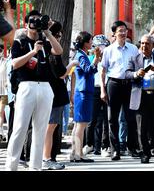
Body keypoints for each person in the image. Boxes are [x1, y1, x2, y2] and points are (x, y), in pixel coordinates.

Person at [5, 10, 63, 171]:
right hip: (26, 86)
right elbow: (15, 63)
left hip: (45, 87)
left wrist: (48, 32)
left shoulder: (45, 41)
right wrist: (33, 52)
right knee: (20, 127)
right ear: (26, 24)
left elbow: (58, 51)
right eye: (33, 20)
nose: (36, 23)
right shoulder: (20, 41)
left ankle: (36, 166)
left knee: (41, 129)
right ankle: (11, 166)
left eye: (39, 20)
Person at [125, 34, 154, 163]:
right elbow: (127, 74)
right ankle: (145, 154)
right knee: (142, 128)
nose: (144, 46)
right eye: (142, 43)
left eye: (147, 44)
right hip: (141, 97)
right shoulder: (134, 58)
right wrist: (136, 74)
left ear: (152, 46)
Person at [101, 21, 139, 161]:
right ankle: (115, 150)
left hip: (129, 84)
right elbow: (103, 71)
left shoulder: (134, 49)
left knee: (131, 118)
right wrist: (103, 91)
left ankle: (132, 148)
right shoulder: (108, 50)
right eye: (120, 31)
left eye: (125, 30)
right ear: (114, 34)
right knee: (112, 119)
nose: (123, 33)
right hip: (114, 84)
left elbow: (138, 67)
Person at [42, 23, 76, 170]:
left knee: (49, 127)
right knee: (50, 127)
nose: (61, 38)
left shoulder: (44, 49)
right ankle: (47, 158)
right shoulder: (53, 51)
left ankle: (46, 157)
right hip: (55, 94)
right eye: (60, 35)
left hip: (50, 93)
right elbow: (62, 74)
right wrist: (73, 63)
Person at [70, 31, 101, 163]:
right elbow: (89, 70)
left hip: (82, 91)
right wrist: (96, 59)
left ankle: (74, 153)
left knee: (79, 124)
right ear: (85, 43)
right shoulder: (81, 56)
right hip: (83, 92)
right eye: (90, 41)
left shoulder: (81, 54)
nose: (92, 43)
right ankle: (78, 154)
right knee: (81, 125)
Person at [83, 35, 111, 157]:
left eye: (103, 46)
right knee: (91, 119)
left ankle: (106, 146)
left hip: (107, 88)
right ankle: (89, 144)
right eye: (98, 46)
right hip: (93, 89)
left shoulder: (109, 58)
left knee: (107, 119)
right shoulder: (90, 58)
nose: (101, 48)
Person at [0, 44, 8, 142]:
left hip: (4, 91)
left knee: (1, 112)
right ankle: (1, 132)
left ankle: (0, 132)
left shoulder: (5, 62)